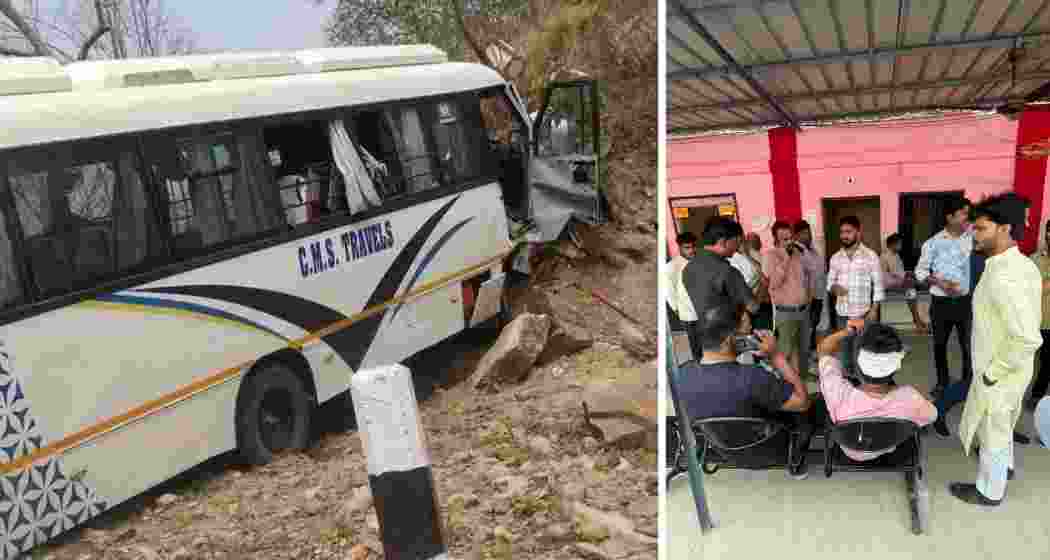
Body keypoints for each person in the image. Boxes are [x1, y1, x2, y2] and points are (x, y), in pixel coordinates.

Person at [950, 192, 1042, 507]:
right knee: (1002, 424)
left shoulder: (1006, 276)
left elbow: (1027, 338)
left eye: (981, 228)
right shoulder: (1015, 264)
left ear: (1004, 229)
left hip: (1001, 370)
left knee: (993, 429)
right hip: (1012, 368)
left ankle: (989, 491)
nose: (975, 234)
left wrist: (992, 373)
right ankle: (1006, 468)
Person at [677, 302, 814, 479]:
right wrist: (776, 356)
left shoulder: (681, 374)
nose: (752, 335)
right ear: (730, 340)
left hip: (723, 451)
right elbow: (803, 403)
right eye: (747, 332)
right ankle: (797, 459)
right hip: (769, 450)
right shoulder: (753, 377)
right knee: (810, 405)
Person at [816, 321, 937, 461]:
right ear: (896, 367)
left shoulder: (838, 391)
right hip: (888, 446)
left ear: (857, 366)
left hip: (849, 448)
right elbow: (931, 416)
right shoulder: (910, 397)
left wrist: (848, 331)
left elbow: (823, 350)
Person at [914, 196, 974, 398]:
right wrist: (939, 282)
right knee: (940, 345)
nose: (968, 217)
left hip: (966, 302)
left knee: (968, 345)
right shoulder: (933, 243)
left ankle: (968, 384)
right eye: (963, 213)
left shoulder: (973, 238)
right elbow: (920, 272)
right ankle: (942, 383)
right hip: (941, 303)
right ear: (950, 217)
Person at [682, 216, 755, 361]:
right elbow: (753, 306)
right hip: (732, 341)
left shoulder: (688, 269)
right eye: (737, 243)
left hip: (707, 342)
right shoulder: (726, 271)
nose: (737, 249)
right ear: (722, 242)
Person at [826, 216, 884, 375]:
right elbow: (829, 283)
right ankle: (848, 387)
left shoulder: (870, 256)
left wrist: (874, 310)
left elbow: (878, 285)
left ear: (858, 232)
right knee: (844, 355)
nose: (844, 235)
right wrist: (834, 287)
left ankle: (862, 388)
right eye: (842, 232)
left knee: (862, 354)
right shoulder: (835, 258)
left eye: (848, 232)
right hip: (842, 315)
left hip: (863, 314)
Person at [764, 220, 811, 378]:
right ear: (776, 240)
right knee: (787, 350)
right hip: (786, 313)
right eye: (784, 239)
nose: (789, 242)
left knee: (804, 348)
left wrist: (808, 296)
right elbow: (773, 284)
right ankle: (788, 383)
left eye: (790, 238)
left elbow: (805, 277)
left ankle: (802, 377)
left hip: (803, 310)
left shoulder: (798, 253)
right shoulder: (771, 256)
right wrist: (785, 259)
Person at [880, 232, 929, 333]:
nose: (900, 246)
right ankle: (917, 321)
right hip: (887, 283)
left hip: (896, 280)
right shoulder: (887, 255)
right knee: (910, 286)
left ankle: (917, 320)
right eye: (899, 244)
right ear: (892, 244)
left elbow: (900, 272)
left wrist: (911, 274)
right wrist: (912, 278)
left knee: (911, 286)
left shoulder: (895, 255)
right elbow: (897, 274)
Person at [794, 221, 826, 355]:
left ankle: (811, 352)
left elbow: (819, 268)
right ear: (797, 235)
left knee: (813, 325)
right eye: (805, 233)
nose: (809, 236)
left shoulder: (812, 249)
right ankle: (805, 355)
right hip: (806, 297)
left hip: (817, 294)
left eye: (809, 232)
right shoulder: (796, 250)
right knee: (807, 327)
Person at [667, 232, 700, 358]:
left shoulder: (701, 262)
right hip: (687, 312)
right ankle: (699, 366)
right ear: (679, 247)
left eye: (693, 247)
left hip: (704, 309)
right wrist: (677, 310)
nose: (691, 250)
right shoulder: (671, 267)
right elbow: (670, 292)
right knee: (695, 343)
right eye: (687, 248)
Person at [1029, 219, 1050, 410]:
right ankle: (1035, 396)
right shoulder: (1035, 260)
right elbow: (1033, 290)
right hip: (1040, 322)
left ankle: (1038, 395)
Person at [745, 232, 773, 331]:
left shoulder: (759, 256)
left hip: (758, 303)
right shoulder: (754, 258)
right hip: (760, 302)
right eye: (758, 240)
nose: (760, 243)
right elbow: (765, 279)